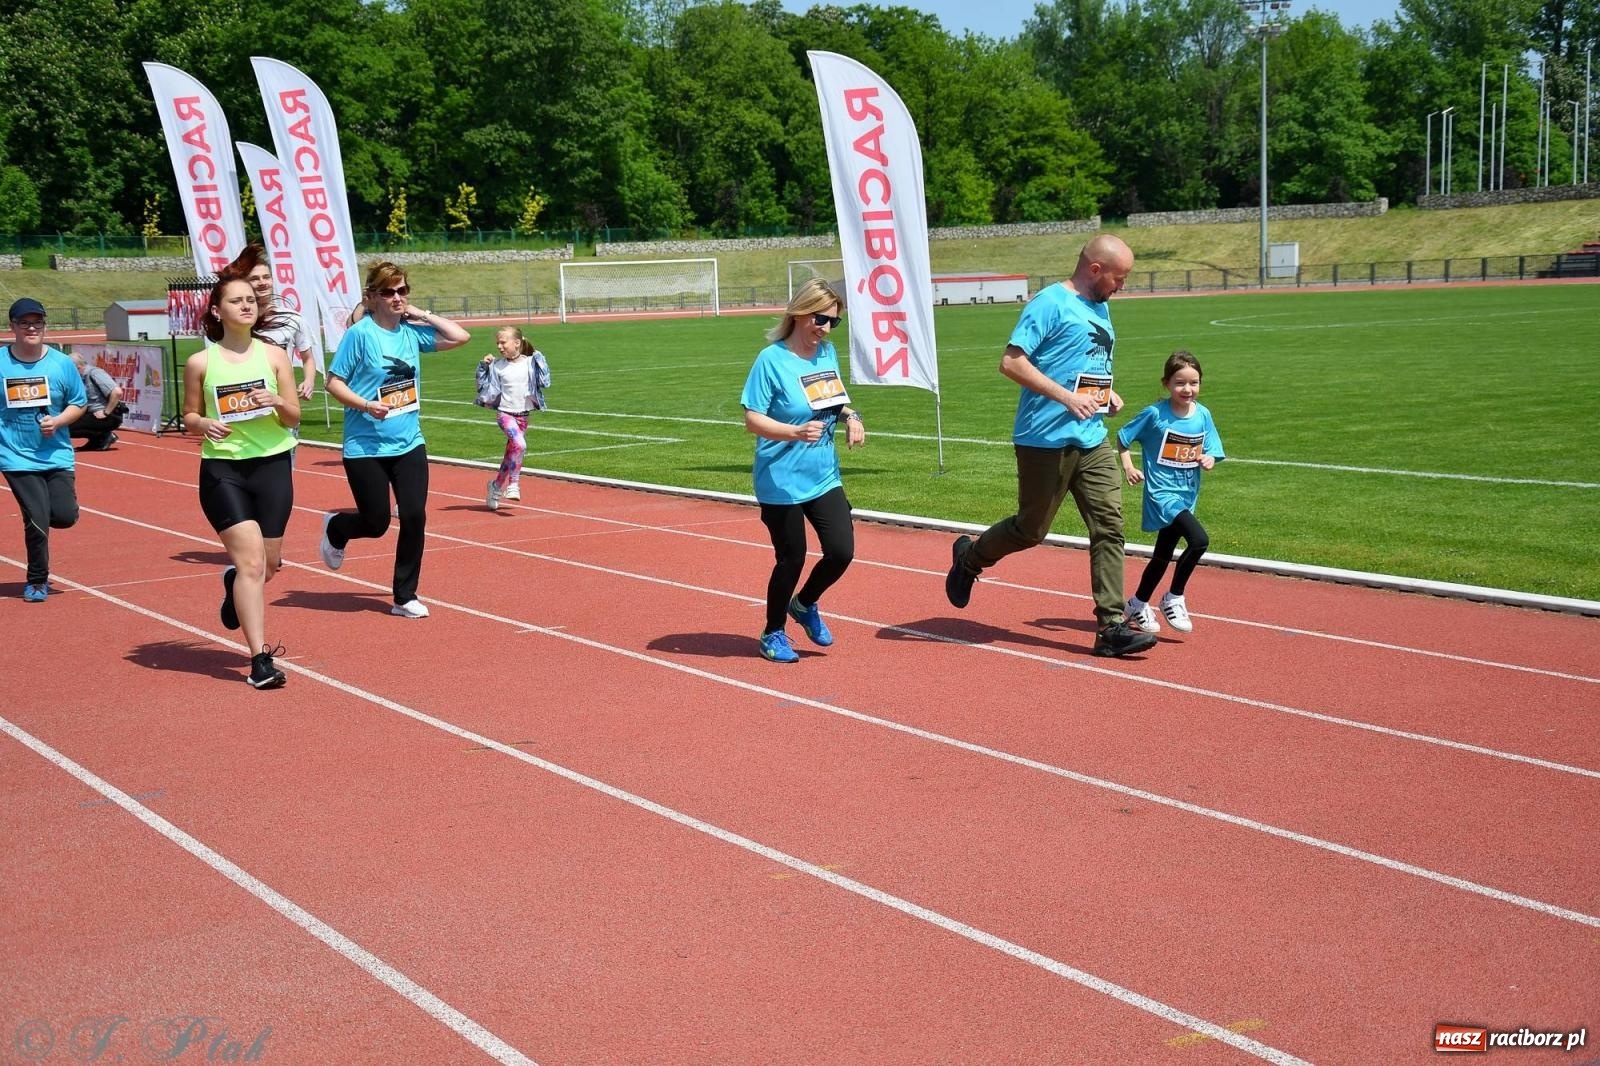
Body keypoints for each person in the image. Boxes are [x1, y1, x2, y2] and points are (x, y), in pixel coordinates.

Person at [943, 234, 1158, 659]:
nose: (1123, 286)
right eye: (1120, 277)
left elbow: (1086, 365)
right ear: (1095, 269)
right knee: (1031, 529)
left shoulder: (1101, 306)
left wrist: (1105, 395)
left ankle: (1111, 627)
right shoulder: (1049, 303)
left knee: (1109, 526)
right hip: (1044, 439)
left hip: (1092, 439)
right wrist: (1067, 398)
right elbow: (1011, 362)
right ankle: (969, 558)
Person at [320, 262, 469, 618]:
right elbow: (333, 382)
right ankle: (337, 527)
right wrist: (366, 404)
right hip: (365, 445)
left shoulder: (411, 332)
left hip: (408, 442)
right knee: (376, 523)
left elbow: (460, 336)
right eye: (388, 292)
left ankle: (404, 596)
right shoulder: (360, 335)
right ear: (371, 297)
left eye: (402, 290)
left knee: (414, 515)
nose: (397, 297)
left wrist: (421, 313)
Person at [181, 276, 300, 689]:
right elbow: (189, 417)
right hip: (223, 471)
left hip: (271, 467)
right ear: (218, 311)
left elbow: (294, 417)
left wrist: (277, 402)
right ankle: (260, 660)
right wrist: (204, 423)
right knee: (251, 563)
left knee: (268, 565)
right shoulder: (201, 362)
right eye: (237, 300)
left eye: (251, 300)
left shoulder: (274, 357)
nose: (247, 306)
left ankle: (233, 585)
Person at [739, 278, 865, 663]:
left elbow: (832, 400)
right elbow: (752, 419)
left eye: (833, 322)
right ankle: (772, 632)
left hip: (823, 474)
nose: (825, 329)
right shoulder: (771, 360)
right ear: (799, 313)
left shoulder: (827, 355)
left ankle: (805, 603)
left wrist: (851, 415)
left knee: (841, 551)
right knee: (791, 558)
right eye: (819, 319)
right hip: (780, 479)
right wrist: (793, 431)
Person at [1118, 350, 1224, 635]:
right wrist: (1128, 467)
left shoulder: (1203, 414)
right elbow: (1123, 438)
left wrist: (1209, 459)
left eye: (1194, 383)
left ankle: (1137, 603)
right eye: (1180, 383)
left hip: (1187, 494)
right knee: (1199, 541)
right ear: (1166, 383)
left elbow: (1213, 448)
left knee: (1162, 556)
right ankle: (1174, 597)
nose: (1187, 389)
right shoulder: (1155, 414)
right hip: (1162, 494)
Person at [1, 298, 84, 602]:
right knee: (36, 518)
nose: (32, 328)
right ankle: (37, 580)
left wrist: (59, 421)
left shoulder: (61, 363)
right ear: (13, 327)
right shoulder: (0, 363)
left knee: (62, 516)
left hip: (56, 454)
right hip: (15, 456)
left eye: (37, 322)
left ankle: (63, 507)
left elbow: (79, 402)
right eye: (24, 323)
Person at [232, 243, 321, 400]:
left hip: (283, 399)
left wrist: (309, 381)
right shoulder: (236, 320)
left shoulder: (293, 318)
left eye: (266, 277)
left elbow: (308, 358)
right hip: (246, 398)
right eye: (255, 279)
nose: (262, 282)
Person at [476, 325, 550, 510]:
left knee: (511, 455)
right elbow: (482, 386)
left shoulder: (530, 363)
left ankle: (495, 486)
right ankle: (514, 485)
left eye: (503, 342)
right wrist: (483, 366)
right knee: (521, 445)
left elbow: (545, 382)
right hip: (505, 414)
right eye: (497, 343)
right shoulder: (497, 366)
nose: (500, 347)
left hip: (523, 416)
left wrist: (540, 359)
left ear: (517, 343)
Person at [69, 352, 125, 451]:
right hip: (90, 414)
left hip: (108, 415)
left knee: (65, 426)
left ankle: (104, 435)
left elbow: (117, 392)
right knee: (61, 421)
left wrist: (106, 412)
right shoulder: (78, 378)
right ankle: (96, 440)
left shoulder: (95, 373)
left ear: (77, 367)